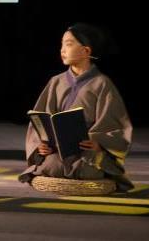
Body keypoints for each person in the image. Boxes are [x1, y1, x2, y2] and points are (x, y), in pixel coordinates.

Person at [19, 23, 133, 192]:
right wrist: (41, 145)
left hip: (85, 151)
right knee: (52, 165)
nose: (62, 50)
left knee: (85, 170)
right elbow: (41, 121)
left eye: (68, 44)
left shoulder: (101, 83)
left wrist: (98, 143)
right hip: (57, 150)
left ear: (86, 51)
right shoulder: (56, 81)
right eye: (61, 44)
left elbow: (115, 126)